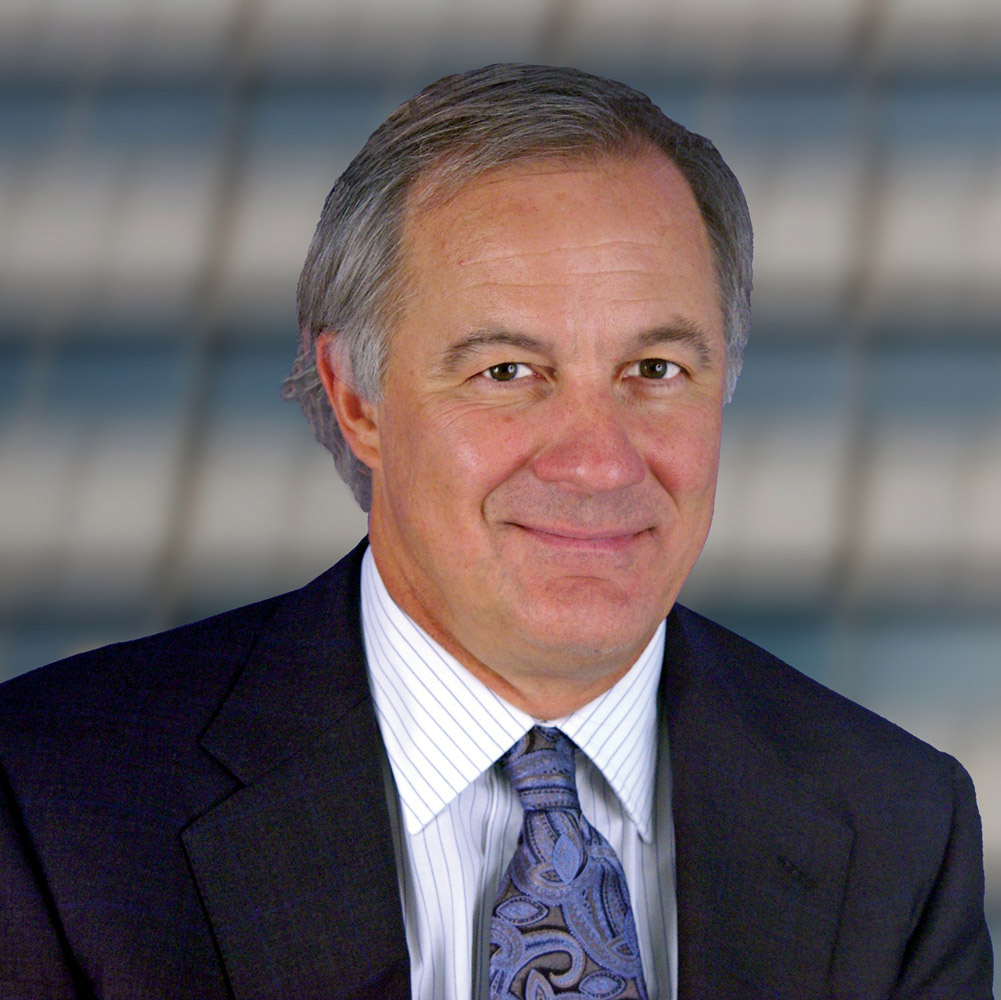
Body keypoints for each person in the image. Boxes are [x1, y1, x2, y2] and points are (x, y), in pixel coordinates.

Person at [0, 64, 992, 1000]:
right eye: (506, 372)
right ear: (357, 400)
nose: (597, 462)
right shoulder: (52, 802)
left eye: (654, 370)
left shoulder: (896, 826)